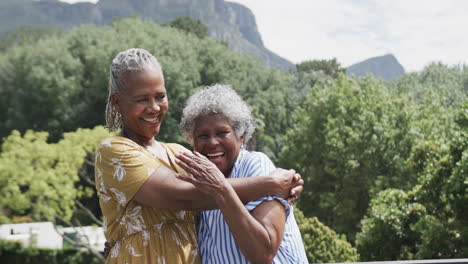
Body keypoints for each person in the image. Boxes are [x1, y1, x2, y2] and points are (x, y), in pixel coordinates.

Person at [95, 48, 303, 263]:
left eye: (160, 96)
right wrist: (271, 184)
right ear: (117, 101)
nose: (154, 107)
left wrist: (279, 189)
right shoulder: (114, 151)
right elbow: (188, 196)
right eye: (141, 100)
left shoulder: (179, 153)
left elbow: (211, 192)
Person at [175, 84, 308, 263]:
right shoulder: (201, 183)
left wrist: (220, 189)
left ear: (241, 136)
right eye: (202, 136)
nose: (213, 142)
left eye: (222, 133)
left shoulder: (256, 166)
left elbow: (263, 253)